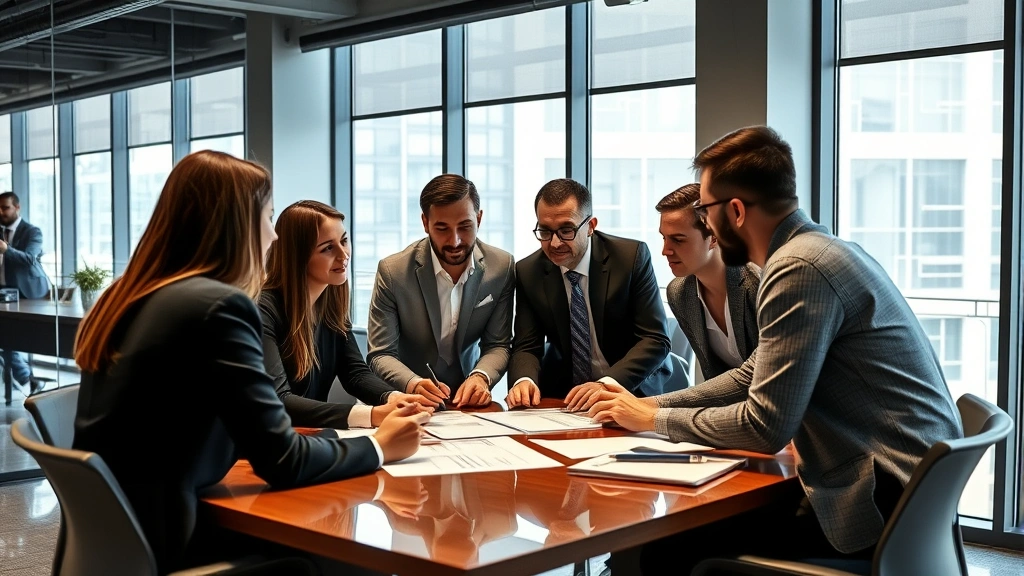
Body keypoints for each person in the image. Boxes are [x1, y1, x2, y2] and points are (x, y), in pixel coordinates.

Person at [585, 126, 963, 573]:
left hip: (876, 499)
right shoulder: (823, 249)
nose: (705, 224)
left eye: (706, 210)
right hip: (912, 497)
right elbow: (754, 373)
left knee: (668, 547)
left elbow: (766, 425)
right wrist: (651, 405)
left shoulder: (796, 268)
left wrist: (655, 419)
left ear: (736, 210)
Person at [72, 150, 428, 574]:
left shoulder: (127, 295)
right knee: (353, 557)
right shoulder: (219, 308)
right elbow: (283, 462)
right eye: (266, 217)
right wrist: (378, 445)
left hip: (123, 540)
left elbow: (250, 434)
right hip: (177, 543)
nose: (274, 237)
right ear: (236, 225)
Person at [260, 199, 431, 429]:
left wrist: (394, 398)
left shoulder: (330, 304)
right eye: (328, 248)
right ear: (298, 257)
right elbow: (279, 400)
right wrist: (372, 415)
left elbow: (355, 373)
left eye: (344, 241)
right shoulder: (263, 310)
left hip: (308, 438)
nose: (344, 255)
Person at [506, 178, 673, 409]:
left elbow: (655, 339)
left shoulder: (630, 258)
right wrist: (524, 380)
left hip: (631, 386)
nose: (554, 243)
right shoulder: (528, 271)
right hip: (566, 393)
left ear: (591, 225)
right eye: (545, 231)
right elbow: (526, 345)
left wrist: (605, 384)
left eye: (566, 230)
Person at [367, 174, 514, 408]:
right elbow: (380, 353)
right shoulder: (393, 272)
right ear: (425, 223)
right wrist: (413, 383)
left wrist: (481, 376)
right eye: (442, 228)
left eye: (465, 226)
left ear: (479, 218)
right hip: (406, 400)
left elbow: (497, 344)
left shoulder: (501, 267)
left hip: (468, 402)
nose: (454, 241)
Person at [657, 183, 760, 380]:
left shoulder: (756, 284)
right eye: (664, 238)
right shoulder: (679, 292)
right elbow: (713, 377)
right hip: (733, 407)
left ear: (714, 237)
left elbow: (764, 376)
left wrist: (654, 406)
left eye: (678, 240)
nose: (665, 251)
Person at [0, 191, 50, 395]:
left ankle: (25, 378)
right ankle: (27, 378)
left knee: (8, 339)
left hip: (26, 295)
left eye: (5, 208)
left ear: (17, 207)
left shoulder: (32, 232)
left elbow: (30, 259)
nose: (1, 212)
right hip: (3, 293)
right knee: (5, 340)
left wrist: (6, 250)